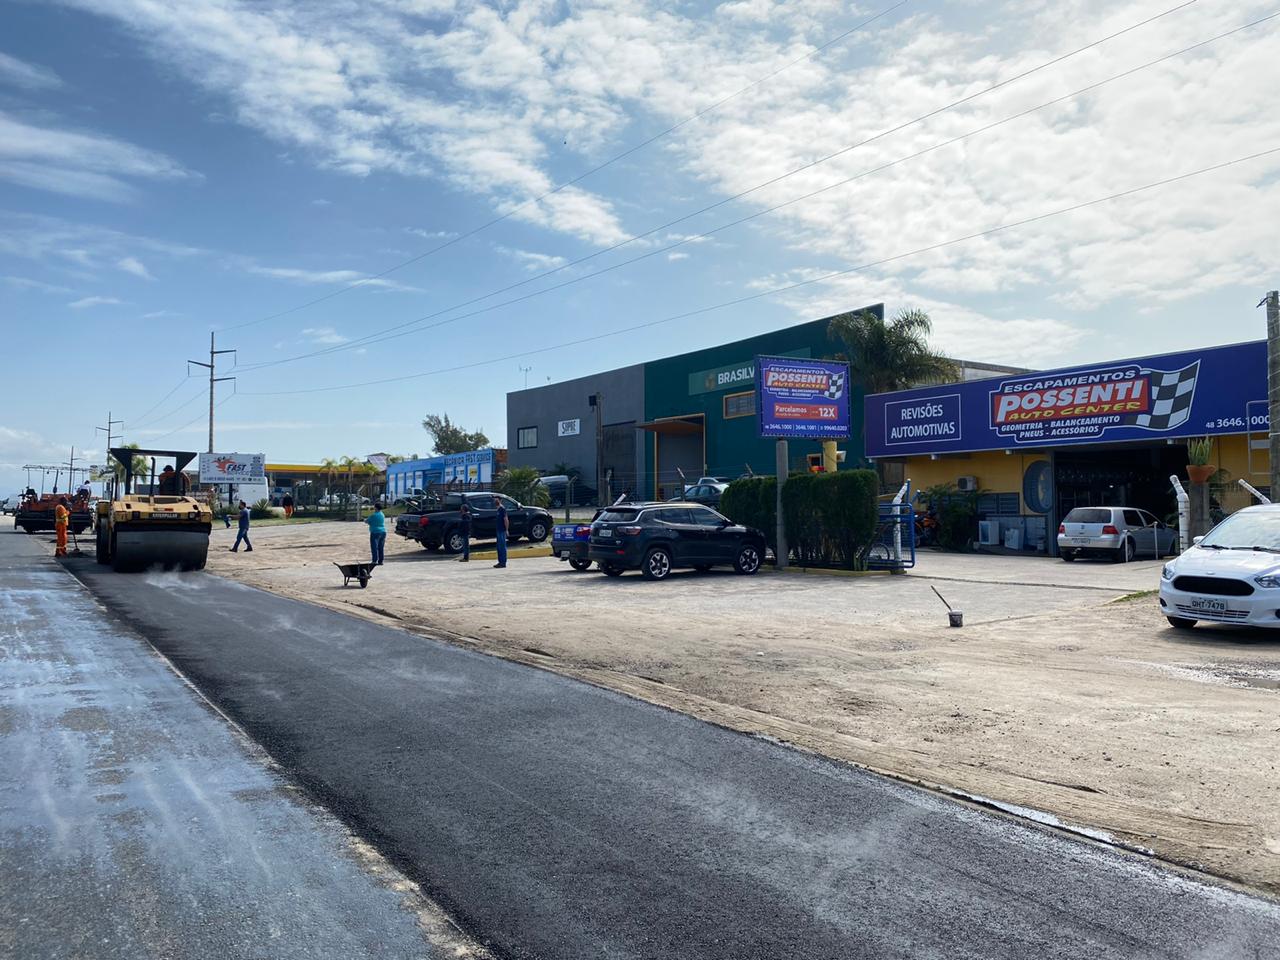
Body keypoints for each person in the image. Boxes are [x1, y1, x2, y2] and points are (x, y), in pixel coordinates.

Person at [366, 502, 387, 566]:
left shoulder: (374, 515)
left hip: (375, 532)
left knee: (374, 547)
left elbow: (367, 521)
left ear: (376, 508)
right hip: (383, 532)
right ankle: (381, 561)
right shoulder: (382, 514)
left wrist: (366, 520)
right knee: (381, 547)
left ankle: (374, 560)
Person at [493, 497, 508, 568]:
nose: (495, 500)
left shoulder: (502, 509)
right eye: (495, 499)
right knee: (499, 547)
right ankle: (500, 562)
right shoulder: (498, 509)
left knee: (502, 546)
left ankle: (503, 562)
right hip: (498, 530)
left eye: (497, 499)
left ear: (500, 500)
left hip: (502, 530)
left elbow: (506, 520)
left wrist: (506, 530)